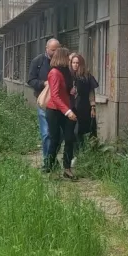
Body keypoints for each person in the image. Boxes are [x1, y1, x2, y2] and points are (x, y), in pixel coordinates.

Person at [44, 48, 78, 178]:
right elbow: (55, 96)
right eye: (68, 57)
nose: (70, 59)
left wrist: (71, 91)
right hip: (54, 110)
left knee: (69, 138)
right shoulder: (54, 72)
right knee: (55, 140)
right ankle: (49, 167)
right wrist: (68, 111)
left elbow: (65, 91)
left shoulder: (66, 72)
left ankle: (67, 168)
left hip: (65, 109)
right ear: (62, 58)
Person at [28, 38, 60, 162]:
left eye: (57, 49)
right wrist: (43, 83)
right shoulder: (38, 61)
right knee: (47, 133)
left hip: (60, 103)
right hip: (45, 102)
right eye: (53, 50)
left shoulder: (62, 62)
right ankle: (48, 162)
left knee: (59, 134)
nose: (55, 52)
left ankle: (51, 158)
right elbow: (31, 80)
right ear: (46, 48)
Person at [69, 53, 99, 152]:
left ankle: (83, 152)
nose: (75, 65)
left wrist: (93, 107)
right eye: (73, 62)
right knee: (72, 131)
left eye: (77, 63)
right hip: (70, 106)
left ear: (81, 64)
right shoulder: (68, 76)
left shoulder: (86, 77)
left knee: (82, 130)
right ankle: (74, 152)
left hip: (84, 106)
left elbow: (91, 92)